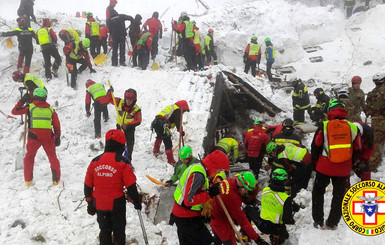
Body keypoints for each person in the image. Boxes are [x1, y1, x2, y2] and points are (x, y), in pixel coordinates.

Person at [84, 129, 142, 245]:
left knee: (104, 231)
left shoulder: (95, 161)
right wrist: (136, 200)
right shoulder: (122, 162)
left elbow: (87, 185)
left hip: (99, 203)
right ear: (121, 145)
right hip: (116, 204)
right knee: (119, 231)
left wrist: (90, 202)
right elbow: (131, 186)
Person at [311, 100, 361, 229]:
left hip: (324, 166)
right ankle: (333, 222)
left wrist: (315, 162)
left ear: (330, 111)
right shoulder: (353, 127)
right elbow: (357, 149)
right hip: (343, 169)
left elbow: (316, 145)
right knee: (339, 195)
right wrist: (350, 164)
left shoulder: (324, 125)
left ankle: (318, 220)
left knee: (318, 192)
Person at [171, 149, 230, 245]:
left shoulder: (199, 169)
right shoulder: (198, 175)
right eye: (219, 169)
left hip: (184, 215)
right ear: (213, 166)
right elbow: (189, 200)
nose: (219, 172)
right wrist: (209, 194)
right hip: (187, 218)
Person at [11, 88, 61, 186]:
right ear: (45, 97)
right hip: (48, 137)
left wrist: (22, 100)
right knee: (52, 157)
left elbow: (14, 111)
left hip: (33, 136)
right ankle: (56, 180)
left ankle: (28, 180)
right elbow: (57, 125)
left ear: (34, 96)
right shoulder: (51, 109)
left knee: (29, 157)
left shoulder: (30, 107)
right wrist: (58, 137)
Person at [210, 172, 268, 245]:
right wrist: (257, 239)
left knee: (217, 241)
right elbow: (243, 221)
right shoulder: (233, 198)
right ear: (240, 184)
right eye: (245, 189)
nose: (246, 192)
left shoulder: (228, 181)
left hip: (217, 216)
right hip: (222, 224)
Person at [256, 169, 297, 245]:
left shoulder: (265, 190)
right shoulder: (285, 198)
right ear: (283, 182)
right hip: (276, 228)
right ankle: (276, 237)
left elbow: (274, 197)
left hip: (262, 224)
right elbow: (287, 220)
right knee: (284, 236)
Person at [107, 88, 142, 161]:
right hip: (119, 127)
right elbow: (109, 99)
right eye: (127, 99)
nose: (128, 101)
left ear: (134, 100)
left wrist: (128, 125)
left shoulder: (136, 109)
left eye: (130, 100)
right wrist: (109, 93)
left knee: (129, 145)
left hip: (129, 129)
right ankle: (117, 158)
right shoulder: (119, 102)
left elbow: (138, 120)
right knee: (117, 143)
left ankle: (128, 158)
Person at [151, 100, 189, 164]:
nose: (183, 113)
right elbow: (178, 123)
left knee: (159, 136)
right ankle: (171, 161)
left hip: (156, 122)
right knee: (168, 141)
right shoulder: (177, 110)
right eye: (184, 111)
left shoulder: (172, 107)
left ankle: (156, 151)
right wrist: (181, 131)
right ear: (183, 108)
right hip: (162, 123)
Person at [366, 72, 385, 171]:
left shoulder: (371, 93)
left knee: (376, 143)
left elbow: (367, 107)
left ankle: (372, 165)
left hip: (375, 121)